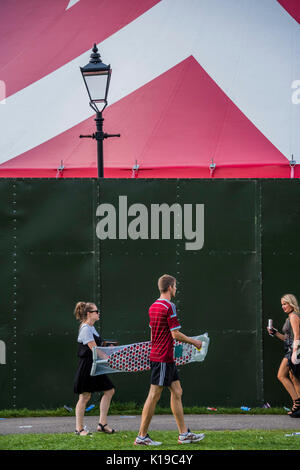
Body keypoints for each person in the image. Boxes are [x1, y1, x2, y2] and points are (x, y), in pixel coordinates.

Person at [134, 274, 205, 445]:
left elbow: (153, 333)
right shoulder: (169, 306)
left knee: (177, 391)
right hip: (163, 357)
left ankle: (183, 434)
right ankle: (141, 437)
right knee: (154, 395)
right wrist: (195, 342)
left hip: (164, 356)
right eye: (175, 286)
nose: (176, 289)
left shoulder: (153, 306)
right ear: (170, 287)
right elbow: (175, 334)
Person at [73, 301, 116, 435]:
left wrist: (108, 347)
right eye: (96, 312)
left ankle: (102, 424)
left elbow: (99, 344)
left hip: (96, 365)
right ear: (89, 314)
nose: (98, 314)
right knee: (85, 396)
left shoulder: (91, 327)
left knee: (109, 390)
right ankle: (79, 429)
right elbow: (94, 349)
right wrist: (109, 359)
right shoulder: (85, 328)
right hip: (87, 366)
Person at [267, 294, 300, 417]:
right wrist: (275, 332)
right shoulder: (290, 317)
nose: (283, 307)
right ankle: (298, 406)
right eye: (282, 304)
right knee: (293, 378)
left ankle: (297, 404)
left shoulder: (294, 316)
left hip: (293, 350)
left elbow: (297, 336)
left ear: (291, 303)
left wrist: (294, 353)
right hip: (291, 350)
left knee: (281, 375)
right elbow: (286, 338)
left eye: (285, 304)